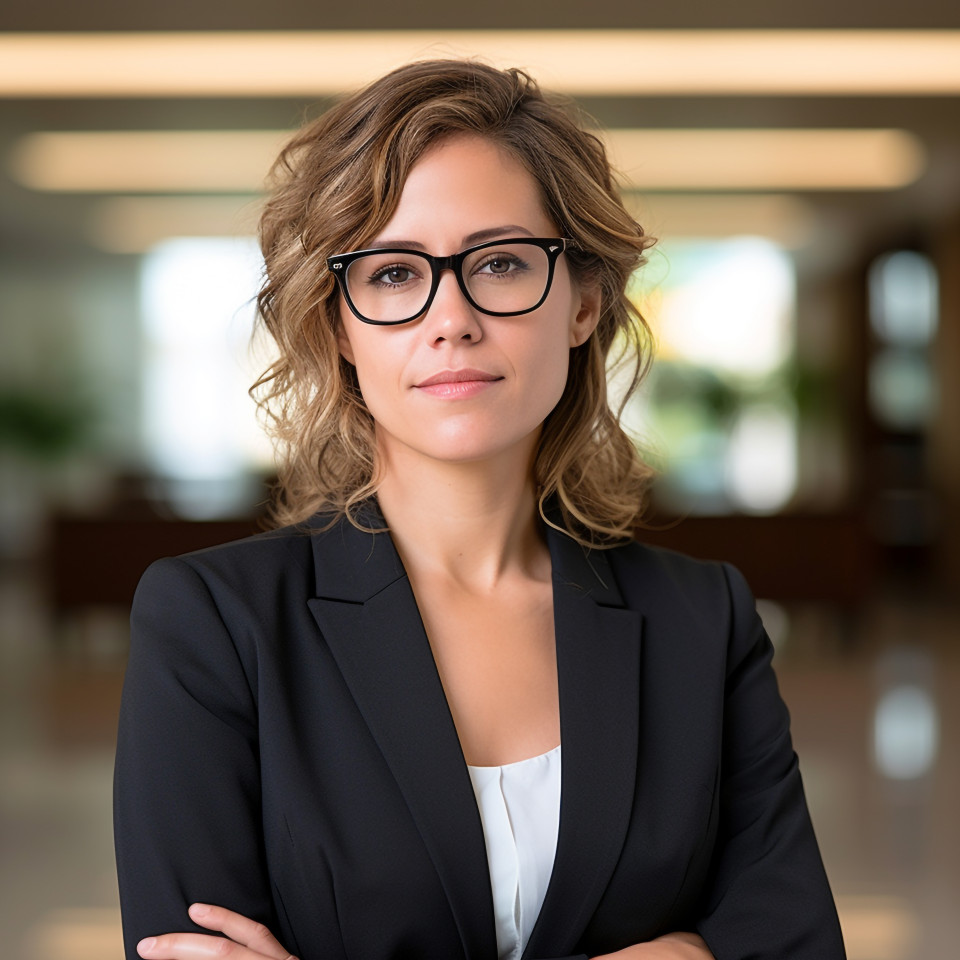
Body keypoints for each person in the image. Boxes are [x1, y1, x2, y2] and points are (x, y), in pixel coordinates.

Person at [113, 59, 846, 960]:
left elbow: (793, 943)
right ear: (337, 324)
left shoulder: (703, 619)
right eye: (390, 274)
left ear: (583, 301)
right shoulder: (213, 622)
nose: (449, 317)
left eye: (499, 263)